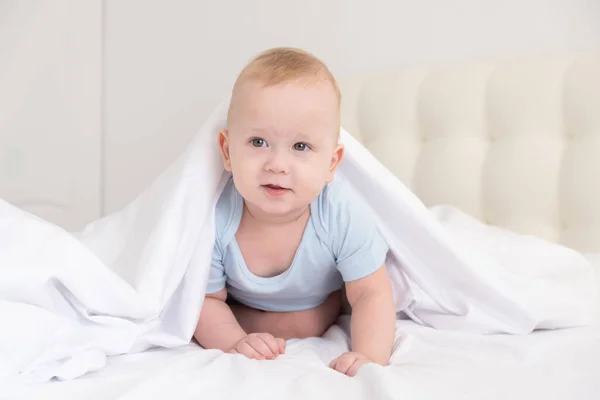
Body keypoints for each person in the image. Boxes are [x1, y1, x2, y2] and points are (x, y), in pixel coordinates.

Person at [194, 47, 396, 377]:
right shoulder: (216, 218)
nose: (277, 165)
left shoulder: (340, 214)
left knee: (308, 320)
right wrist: (235, 341)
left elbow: (371, 293)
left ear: (331, 163)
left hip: (317, 305)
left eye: (300, 147)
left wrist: (369, 355)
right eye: (258, 142)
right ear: (227, 151)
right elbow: (205, 301)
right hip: (238, 307)